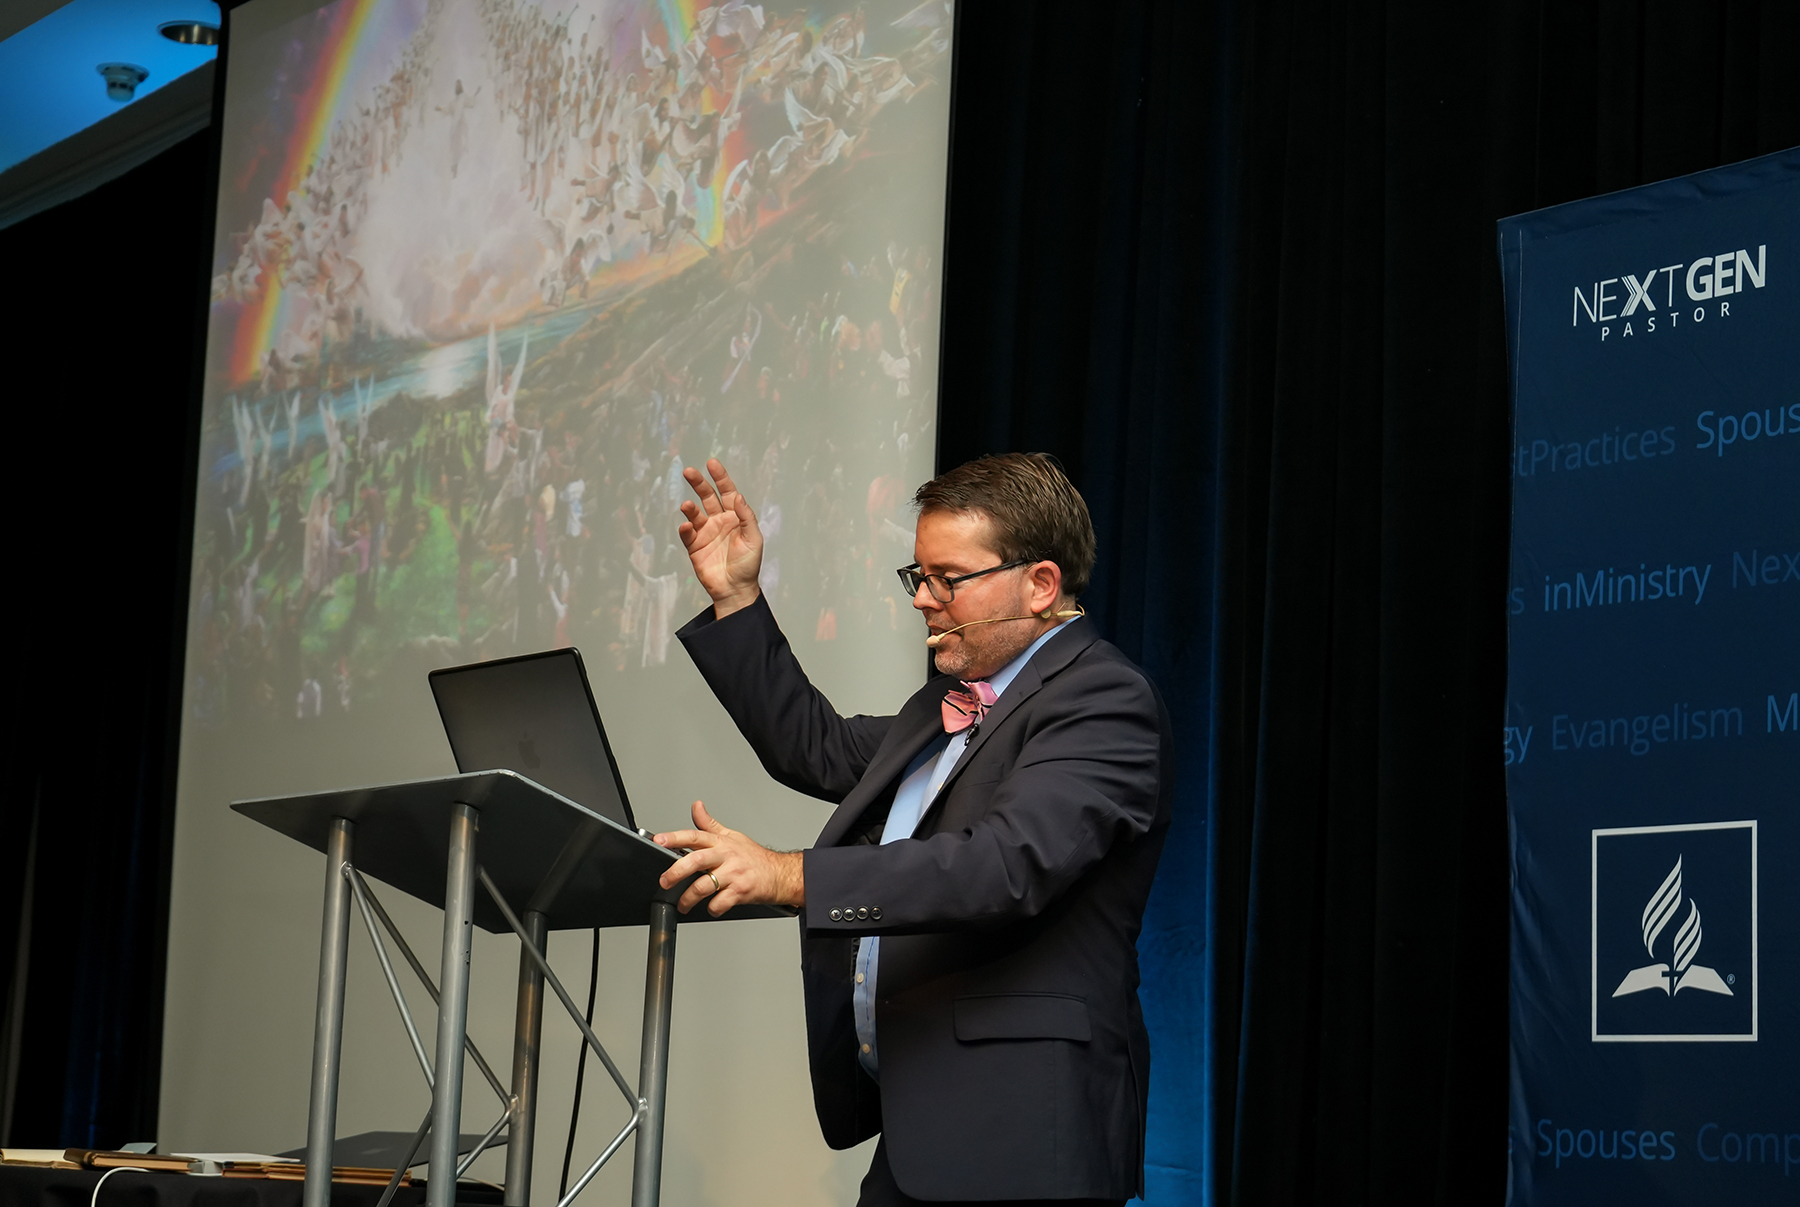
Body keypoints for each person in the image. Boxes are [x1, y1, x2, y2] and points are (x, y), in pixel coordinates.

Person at [656, 454, 1173, 1206]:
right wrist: (737, 596)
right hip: (920, 1131)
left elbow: (1001, 866)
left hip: (1021, 1137)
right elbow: (817, 746)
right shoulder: (949, 706)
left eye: (948, 578)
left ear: (1040, 583)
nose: (924, 600)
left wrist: (790, 875)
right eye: (918, 576)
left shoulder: (1105, 698)